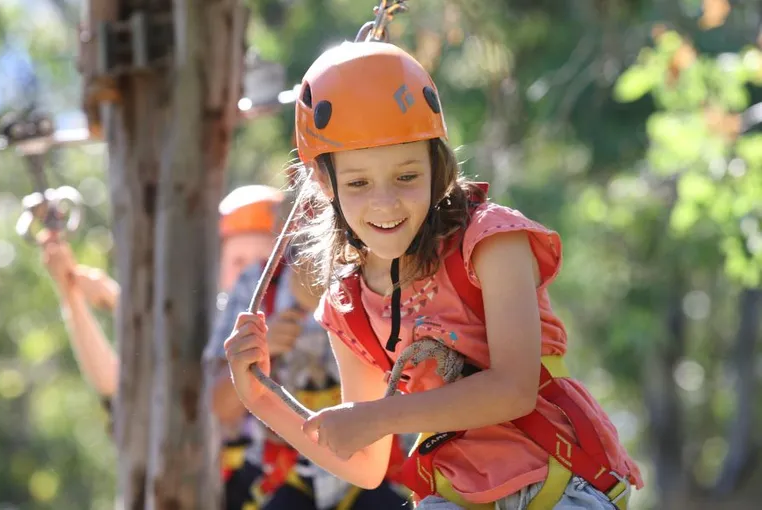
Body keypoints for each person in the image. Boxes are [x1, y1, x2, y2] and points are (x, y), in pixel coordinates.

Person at [222, 41, 643, 510]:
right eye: (359, 182)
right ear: (326, 184)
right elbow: (365, 463)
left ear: (436, 167)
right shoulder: (349, 304)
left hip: (560, 486)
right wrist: (260, 399)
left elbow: (513, 389)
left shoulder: (491, 241)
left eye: (406, 176)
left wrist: (379, 416)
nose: (385, 203)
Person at [38, 184, 284, 507]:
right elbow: (115, 382)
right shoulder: (204, 331)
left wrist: (117, 301)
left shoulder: (310, 326)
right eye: (239, 262)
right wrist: (72, 296)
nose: (252, 276)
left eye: (264, 263)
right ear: (218, 264)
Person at [204, 246, 411, 510]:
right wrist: (258, 348)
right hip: (283, 476)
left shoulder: (388, 274)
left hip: (382, 474)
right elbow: (219, 405)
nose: (308, 213)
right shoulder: (259, 282)